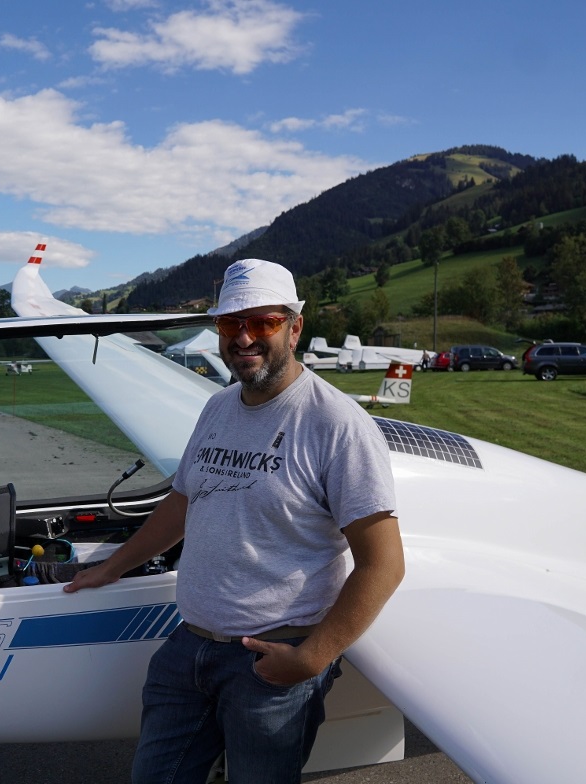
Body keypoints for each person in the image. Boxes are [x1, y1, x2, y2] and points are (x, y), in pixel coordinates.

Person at [65, 258, 404, 783]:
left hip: (272, 663)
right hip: (189, 648)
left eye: (263, 322)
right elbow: (182, 503)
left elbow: (384, 563)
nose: (243, 337)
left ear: (295, 328)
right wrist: (113, 566)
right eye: (229, 324)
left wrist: (312, 658)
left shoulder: (336, 424)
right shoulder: (218, 407)